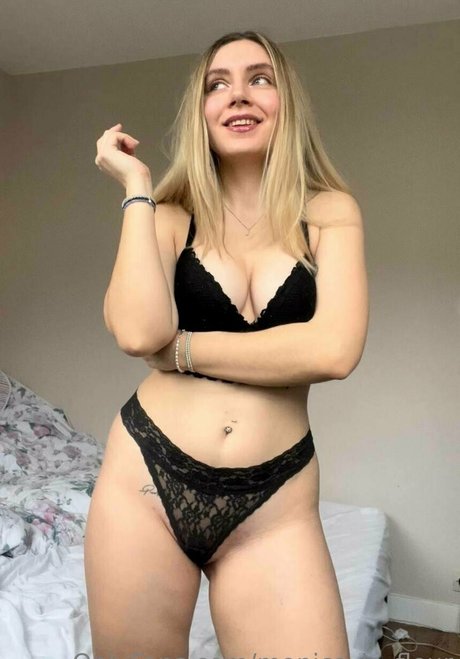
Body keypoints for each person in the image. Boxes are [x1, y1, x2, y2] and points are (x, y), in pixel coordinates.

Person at [84, 30, 368, 659]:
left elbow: (334, 351)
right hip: (146, 482)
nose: (238, 94)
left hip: (275, 500)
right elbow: (138, 333)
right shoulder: (168, 214)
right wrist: (137, 188)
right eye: (218, 84)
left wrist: (182, 352)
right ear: (202, 111)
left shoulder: (330, 212)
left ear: (286, 102)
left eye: (259, 78)